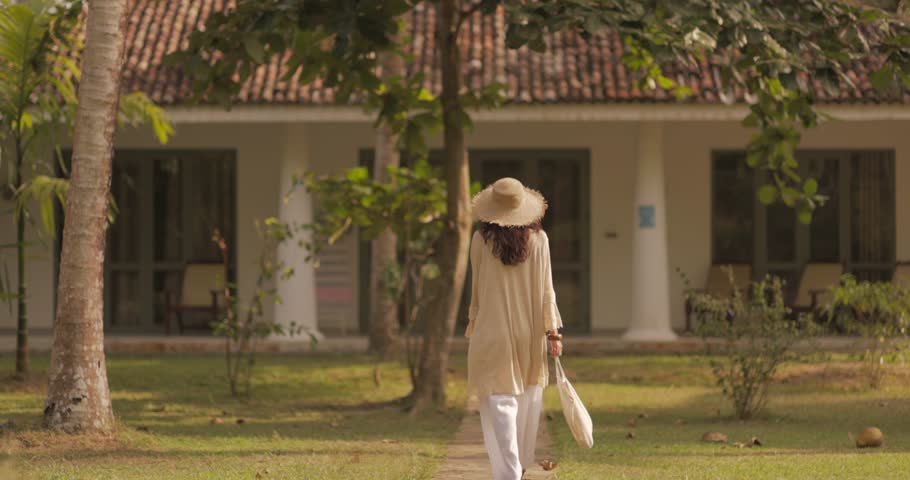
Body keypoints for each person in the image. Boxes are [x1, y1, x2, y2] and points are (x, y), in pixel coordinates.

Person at [466, 177, 564, 480]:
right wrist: (553, 333)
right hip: (530, 330)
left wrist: (473, 324)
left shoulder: (480, 241)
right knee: (526, 402)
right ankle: (515, 466)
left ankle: (508, 471)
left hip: (490, 330)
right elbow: (547, 291)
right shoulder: (540, 240)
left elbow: (476, 292)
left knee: (497, 401)